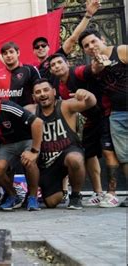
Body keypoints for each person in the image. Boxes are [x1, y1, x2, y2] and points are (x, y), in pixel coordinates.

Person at [25, 79, 96, 209]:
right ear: (34, 97)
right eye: (38, 92)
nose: (42, 94)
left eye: (46, 90)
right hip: (47, 165)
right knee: (52, 202)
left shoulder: (65, 106)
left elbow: (90, 103)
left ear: (54, 92)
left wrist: (87, 95)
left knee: (75, 159)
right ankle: (50, 191)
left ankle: (75, 195)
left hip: (67, 154)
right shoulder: (30, 110)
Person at [47, 53, 106, 206]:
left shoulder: (77, 72)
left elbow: (91, 69)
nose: (57, 66)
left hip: (95, 120)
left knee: (91, 156)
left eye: (60, 62)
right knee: (73, 155)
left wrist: (98, 63)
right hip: (76, 127)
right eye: (53, 65)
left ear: (67, 63)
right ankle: (68, 192)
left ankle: (99, 192)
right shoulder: (56, 83)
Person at [78, 28, 128, 207]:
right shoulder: (95, 66)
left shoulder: (121, 50)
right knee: (124, 155)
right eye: (86, 46)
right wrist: (100, 64)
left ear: (103, 40)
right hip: (117, 114)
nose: (91, 47)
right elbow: (95, 70)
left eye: (93, 42)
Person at [0, 80, 43, 211]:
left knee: (29, 161)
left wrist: (34, 151)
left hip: (26, 140)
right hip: (7, 145)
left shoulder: (8, 107)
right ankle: (13, 196)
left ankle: (33, 197)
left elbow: (38, 123)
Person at [31, 0, 101, 79]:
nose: (40, 48)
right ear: (33, 51)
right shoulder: (32, 70)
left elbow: (73, 38)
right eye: (37, 47)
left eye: (43, 45)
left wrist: (88, 15)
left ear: (48, 47)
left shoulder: (57, 56)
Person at [0, 41, 41, 107]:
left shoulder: (29, 70)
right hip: (5, 115)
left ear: (18, 53)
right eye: (5, 53)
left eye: (11, 52)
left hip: (27, 114)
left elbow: (40, 91)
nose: (8, 55)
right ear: (2, 56)